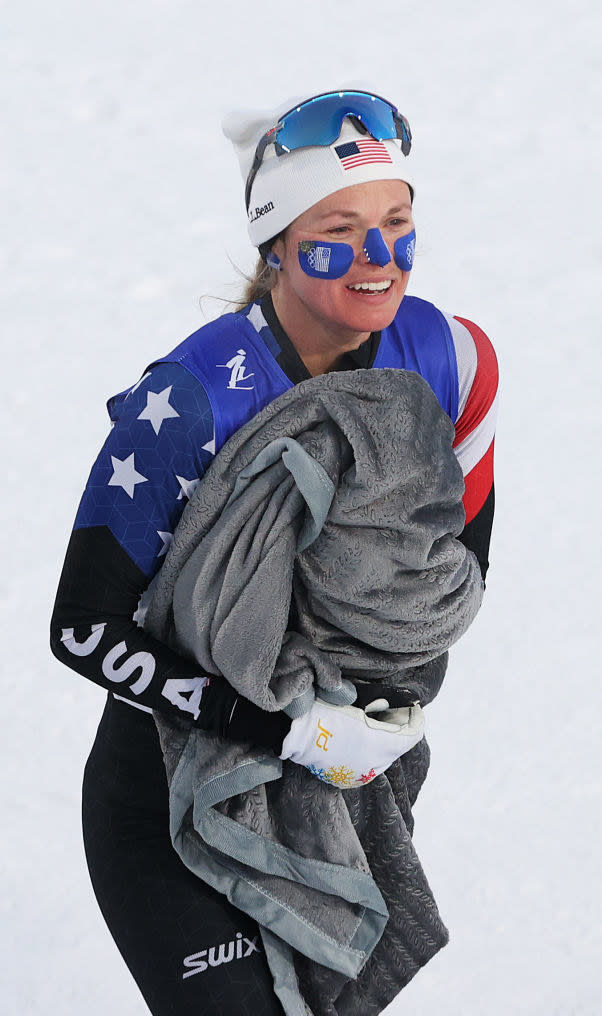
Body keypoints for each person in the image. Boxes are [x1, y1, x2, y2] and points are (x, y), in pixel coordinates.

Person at [50, 88, 498, 1015]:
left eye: (398, 223)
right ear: (276, 244)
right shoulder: (195, 397)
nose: (380, 260)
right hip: (171, 790)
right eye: (341, 229)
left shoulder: (450, 358)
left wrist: (391, 703)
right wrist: (288, 731)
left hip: (339, 786)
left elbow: (451, 576)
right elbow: (82, 628)